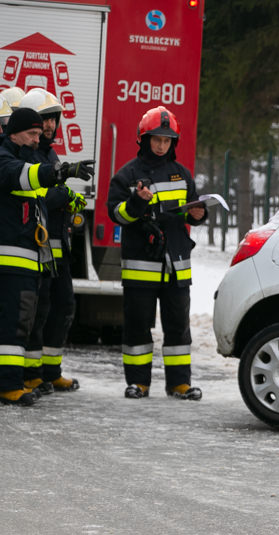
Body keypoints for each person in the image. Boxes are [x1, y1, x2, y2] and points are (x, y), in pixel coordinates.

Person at [107, 105, 206, 401]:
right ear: (144, 138)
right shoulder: (127, 175)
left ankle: (179, 384)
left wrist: (198, 214)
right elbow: (117, 215)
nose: (162, 145)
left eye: (167, 140)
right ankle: (138, 383)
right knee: (138, 327)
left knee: (178, 327)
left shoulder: (181, 174)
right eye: (157, 139)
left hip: (176, 265)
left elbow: (187, 213)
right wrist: (136, 202)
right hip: (141, 265)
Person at [0, 107, 93, 405]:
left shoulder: (28, 158)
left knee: (21, 322)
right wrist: (60, 171)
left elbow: (42, 191)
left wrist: (65, 193)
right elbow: (24, 177)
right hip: (10, 260)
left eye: (40, 134)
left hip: (26, 259)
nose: (36, 139)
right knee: (12, 323)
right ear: (12, 132)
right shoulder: (6, 159)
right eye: (31, 133)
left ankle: (12, 381)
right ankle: (9, 385)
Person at [18, 89, 87, 396]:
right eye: (44, 119)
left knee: (62, 306)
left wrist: (68, 198)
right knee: (39, 309)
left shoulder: (49, 153)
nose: (49, 126)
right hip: (39, 246)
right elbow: (41, 195)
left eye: (53, 119)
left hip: (58, 247)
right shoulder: (28, 154)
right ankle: (31, 373)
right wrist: (65, 195)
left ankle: (51, 370)